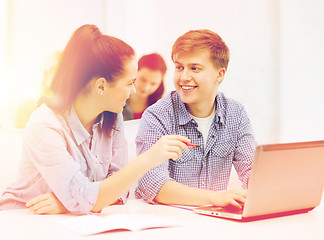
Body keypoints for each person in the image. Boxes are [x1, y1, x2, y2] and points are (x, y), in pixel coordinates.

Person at [0, 25, 190, 214]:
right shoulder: (45, 125)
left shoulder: (113, 117)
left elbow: (120, 190)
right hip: (23, 217)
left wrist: (73, 202)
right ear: (101, 85)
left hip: (74, 221)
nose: (133, 91)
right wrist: (147, 159)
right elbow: (84, 197)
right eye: (129, 83)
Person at [135, 29, 257, 209]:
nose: (184, 77)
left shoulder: (235, 113)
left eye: (194, 68)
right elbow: (154, 185)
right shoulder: (157, 116)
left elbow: (252, 171)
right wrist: (214, 197)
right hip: (165, 223)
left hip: (215, 222)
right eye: (179, 67)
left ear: (220, 74)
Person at [123, 53, 167, 120]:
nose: (146, 88)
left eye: (153, 84)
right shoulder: (115, 101)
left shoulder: (162, 110)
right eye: (143, 80)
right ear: (135, 72)